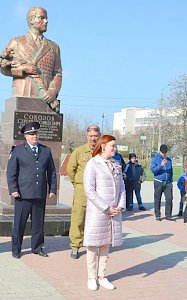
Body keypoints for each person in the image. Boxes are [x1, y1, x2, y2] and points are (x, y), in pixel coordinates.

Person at [6, 121, 57, 259]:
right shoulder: (17, 150)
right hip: (22, 194)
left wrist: (52, 188)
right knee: (19, 224)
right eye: (31, 134)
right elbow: (11, 172)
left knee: (38, 224)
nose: (34, 136)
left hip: (39, 193)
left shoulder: (46, 151)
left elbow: (51, 171)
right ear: (26, 136)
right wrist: (13, 189)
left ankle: (37, 247)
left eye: (36, 133)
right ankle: (16, 250)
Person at [83, 134, 126, 291]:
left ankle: (102, 276)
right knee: (93, 245)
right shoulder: (93, 164)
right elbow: (89, 190)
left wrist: (120, 206)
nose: (115, 148)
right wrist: (106, 207)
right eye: (112, 146)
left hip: (114, 212)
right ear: (103, 146)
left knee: (105, 244)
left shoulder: (116, 164)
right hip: (99, 212)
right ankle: (91, 277)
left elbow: (122, 187)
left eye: (115, 146)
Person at [0, 7, 62, 113]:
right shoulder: (17, 42)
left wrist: (53, 91)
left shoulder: (54, 47)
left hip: (45, 95)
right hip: (23, 91)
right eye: (41, 18)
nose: (46, 21)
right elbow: (3, 67)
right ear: (31, 20)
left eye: (46, 18)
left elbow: (58, 73)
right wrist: (23, 69)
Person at [67, 125, 101, 259]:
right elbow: (71, 170)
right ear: (87, 136)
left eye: (95, 136)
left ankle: (93, 245)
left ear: (99, 136)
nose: (93, 138)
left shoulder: (102, 151)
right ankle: (75, 246)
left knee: (96, 219)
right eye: (91, 136)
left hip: (98, 191)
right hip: (82, 190)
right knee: (78, 218)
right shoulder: (79, 151)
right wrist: (77, 184)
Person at [150, 144, 173, 221]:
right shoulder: (155, 159)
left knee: (169, 198)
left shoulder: (169, 160)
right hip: (158, 181)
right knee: (157, 198)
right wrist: (161, 165)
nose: (164, 154)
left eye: (165, 152)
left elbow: (171, 171)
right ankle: (157, 215)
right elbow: (153, 170)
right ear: (160, 151)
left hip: (168, 182)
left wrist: (171, 179)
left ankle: (168, 215)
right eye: (163, 152)